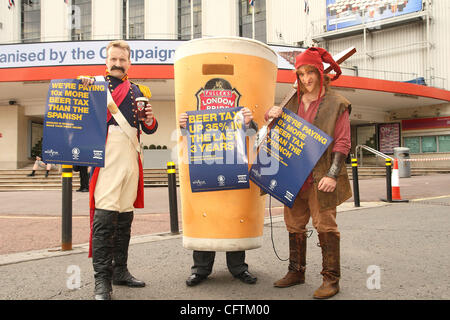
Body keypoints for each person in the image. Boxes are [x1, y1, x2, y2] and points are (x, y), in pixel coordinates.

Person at [266, 47, 352, 299]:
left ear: (320, 72)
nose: (306, 79)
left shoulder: (337, 103)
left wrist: (332, 175)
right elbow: (275, 129)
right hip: (293, 175)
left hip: (321, 176)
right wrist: (270, 114)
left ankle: (331, 279)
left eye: (311, 72)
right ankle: (296, 271)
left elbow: (343, 142)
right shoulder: (290, 100)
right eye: (301, 73)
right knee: (293, 224)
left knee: (325, 225)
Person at [80, 40, 158, 300]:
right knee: (104, 219)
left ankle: (120, 271)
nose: (117, 64)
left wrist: (149, 119)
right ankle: (102, 281)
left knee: (124, 219)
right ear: (106, 62)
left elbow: (148, 128)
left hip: (131, 156)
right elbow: (81, 111)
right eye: (113, 59)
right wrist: (84, 85)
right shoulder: (94, 86)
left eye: (122, 60)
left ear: (129, 63)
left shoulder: (139, 89)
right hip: (108, 156)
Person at [178, 108, 258, 287]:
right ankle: (200, 269)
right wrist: (184, 125)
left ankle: (238, 267)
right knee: (204, 215)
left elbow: (254, 133)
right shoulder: (196, 103)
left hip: (232, 165)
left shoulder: (239, 105)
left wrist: (248, 123)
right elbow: (188, 136)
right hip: (205, 165)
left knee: (235, 216)